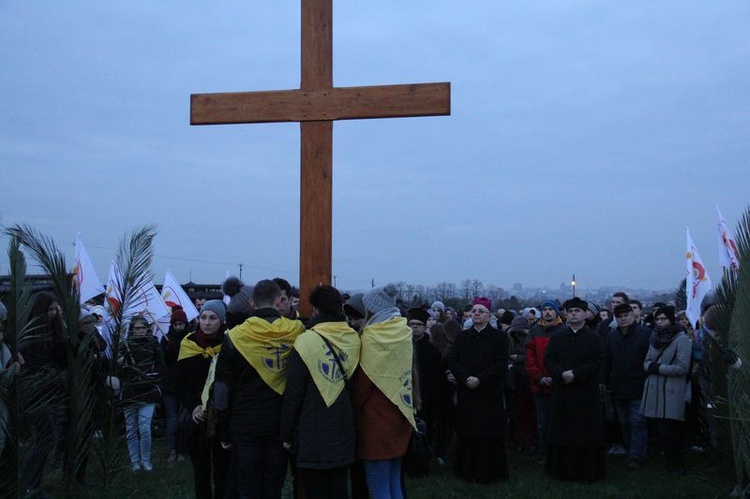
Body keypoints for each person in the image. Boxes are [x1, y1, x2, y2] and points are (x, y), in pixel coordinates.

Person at [214, 279, 305, 499]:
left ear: (252, 303)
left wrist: (222, 428)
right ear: (279, 300)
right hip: (280, 423)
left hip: (244, 423)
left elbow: (222, 389)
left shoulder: (235, 336)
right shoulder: (297, 331)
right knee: (272, 485)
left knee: (247, 485)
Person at [280, 284, 360, 499]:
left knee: (316, 490)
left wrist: (286, 432)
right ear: (339, 308)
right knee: (339, 487)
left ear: (315, 309)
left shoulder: (306, 341)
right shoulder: (353, 338)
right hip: (343, 425)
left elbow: (294, 392)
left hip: (311, 428)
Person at [352, 283, 415, 499]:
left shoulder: (372, 336)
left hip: (375, 420)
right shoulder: (404, 331)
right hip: (401, 412)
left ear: (371, 309)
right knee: (394, 481)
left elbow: (363, 384)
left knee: (378, 487)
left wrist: (352, 407)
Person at [448, 297, 509, 483]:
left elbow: (500, 363)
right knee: (467, 431)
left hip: (488, 393)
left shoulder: (499, 338)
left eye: (480, 311)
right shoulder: (462, 337)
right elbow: (453, 360)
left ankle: (488, 472)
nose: (476, 314)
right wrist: (465, 378)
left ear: (489, 315)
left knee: (488, 432)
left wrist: (480, 379)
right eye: (474, 311)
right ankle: (466, 471)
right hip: (467, 392)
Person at [544, 297, 605, 483]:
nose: (573, 314)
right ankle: (561, 470)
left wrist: (576, 374)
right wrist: (561, 373)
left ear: (585, 314)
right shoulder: (556, 337)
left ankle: (585, 471)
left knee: (584, 432)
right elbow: (549, 359)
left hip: (585, 393)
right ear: (565, 315)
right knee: (563, 431)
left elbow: (597, 362)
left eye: (577, 311)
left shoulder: (594, 338)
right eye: (570, 312)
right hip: (562, 391)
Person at [177, 300, 229, 498]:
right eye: (203, 317)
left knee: (222, 468)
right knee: (201, 470)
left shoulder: (229, 343)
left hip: (220, 415)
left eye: (213, 318)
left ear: (221, 321)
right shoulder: (188, 343)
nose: (207, 323)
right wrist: (194, 407)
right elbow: (181, 383)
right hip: (197, 416)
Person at [640, 305, 692, 476]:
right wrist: (652, 367)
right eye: (658, 319)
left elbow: (682, 367)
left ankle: (676, 466)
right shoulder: (654, 337)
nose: (660, 322)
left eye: (664, 319)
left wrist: (658, 368)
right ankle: (670, 465)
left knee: (669, 431)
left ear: (671, 320)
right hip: (655, 389)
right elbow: (647, 362)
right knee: (661, 431)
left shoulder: (681, 339)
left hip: (671, 391)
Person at [601, 302, 651, 468]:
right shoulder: (612, 336)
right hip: (617, 386)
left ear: (633, 316)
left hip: (638, 385)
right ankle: (631, 450)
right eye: (619, 317)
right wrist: (604, 380)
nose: (623, 319)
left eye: (626, 316)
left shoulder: (644, 335)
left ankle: (636, 456)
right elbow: (607, 360)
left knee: (637, 421)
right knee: (624, 422)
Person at [120, 315, 164, 472]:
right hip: (130, 390)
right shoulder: (125, 345)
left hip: (147, 390)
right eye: (136, 328)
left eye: (142, 327)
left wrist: (153, 377)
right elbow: (118, 368)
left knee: (144, 428)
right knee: (131, 427)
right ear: (131, 329)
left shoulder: (153, 343)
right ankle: (135, 461)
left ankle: (145, 459)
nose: (139, 331)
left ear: (147, 328)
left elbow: (161, 365)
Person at [404, 308, 443, 477]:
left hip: (426, 396)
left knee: (424, 429)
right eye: (412, 324)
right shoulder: (403, 346)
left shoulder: (431, 349)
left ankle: (423, 462)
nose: (414, 328)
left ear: (424, 326)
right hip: (407, 394)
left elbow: (436, 376)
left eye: (418, 325)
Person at [525, 300, 566, 464]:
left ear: (556, 312)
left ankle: (560, 453)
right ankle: (544, 453)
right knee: (542, 423)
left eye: (551, 309)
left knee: (560, 421)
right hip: (539, 385)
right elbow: (530, 359)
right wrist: (540, 377)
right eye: (545, 309)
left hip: (560, 384)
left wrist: (557, 376)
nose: (548, 312)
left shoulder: (564, 330)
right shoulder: (535, 331)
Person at [161, 306, 189, 462]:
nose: (178, 327)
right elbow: (161, 360)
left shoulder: (191, 338)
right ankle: (173, 449)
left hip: (185, 384)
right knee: (172, 418)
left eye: (181, 324)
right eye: (176, 324)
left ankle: (183, 450)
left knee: (183, 419)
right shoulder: (165, 339)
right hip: (170, 384)